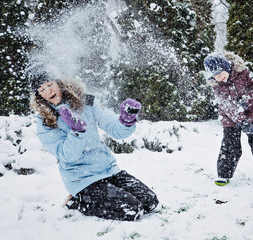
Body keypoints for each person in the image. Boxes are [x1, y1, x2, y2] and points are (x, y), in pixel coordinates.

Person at [27, 63, 159, 221]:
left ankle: (100, 195)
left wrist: (126, 120)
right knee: (132, 210)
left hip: (108, 170)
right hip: (82, 179)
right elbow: (67, 155)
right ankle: (79, 201)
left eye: (49, 84)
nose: (48, 91)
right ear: (39, 95)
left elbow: (114, 128)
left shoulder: (86, 101)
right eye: (41, 90)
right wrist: (77, 132)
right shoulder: (45, 122)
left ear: (59, 83)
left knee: (150, 201)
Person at [203, 52, 253, 186]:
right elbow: (226, 106)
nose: (219, 78)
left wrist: (245, 101)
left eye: (220, 73)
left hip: (250, 113)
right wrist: (241, 120)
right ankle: (224, 174)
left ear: (225, 66)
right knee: (230, 145)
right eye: (215, 76)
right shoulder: (217, 86)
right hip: (230, 117)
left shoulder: (243, 72)